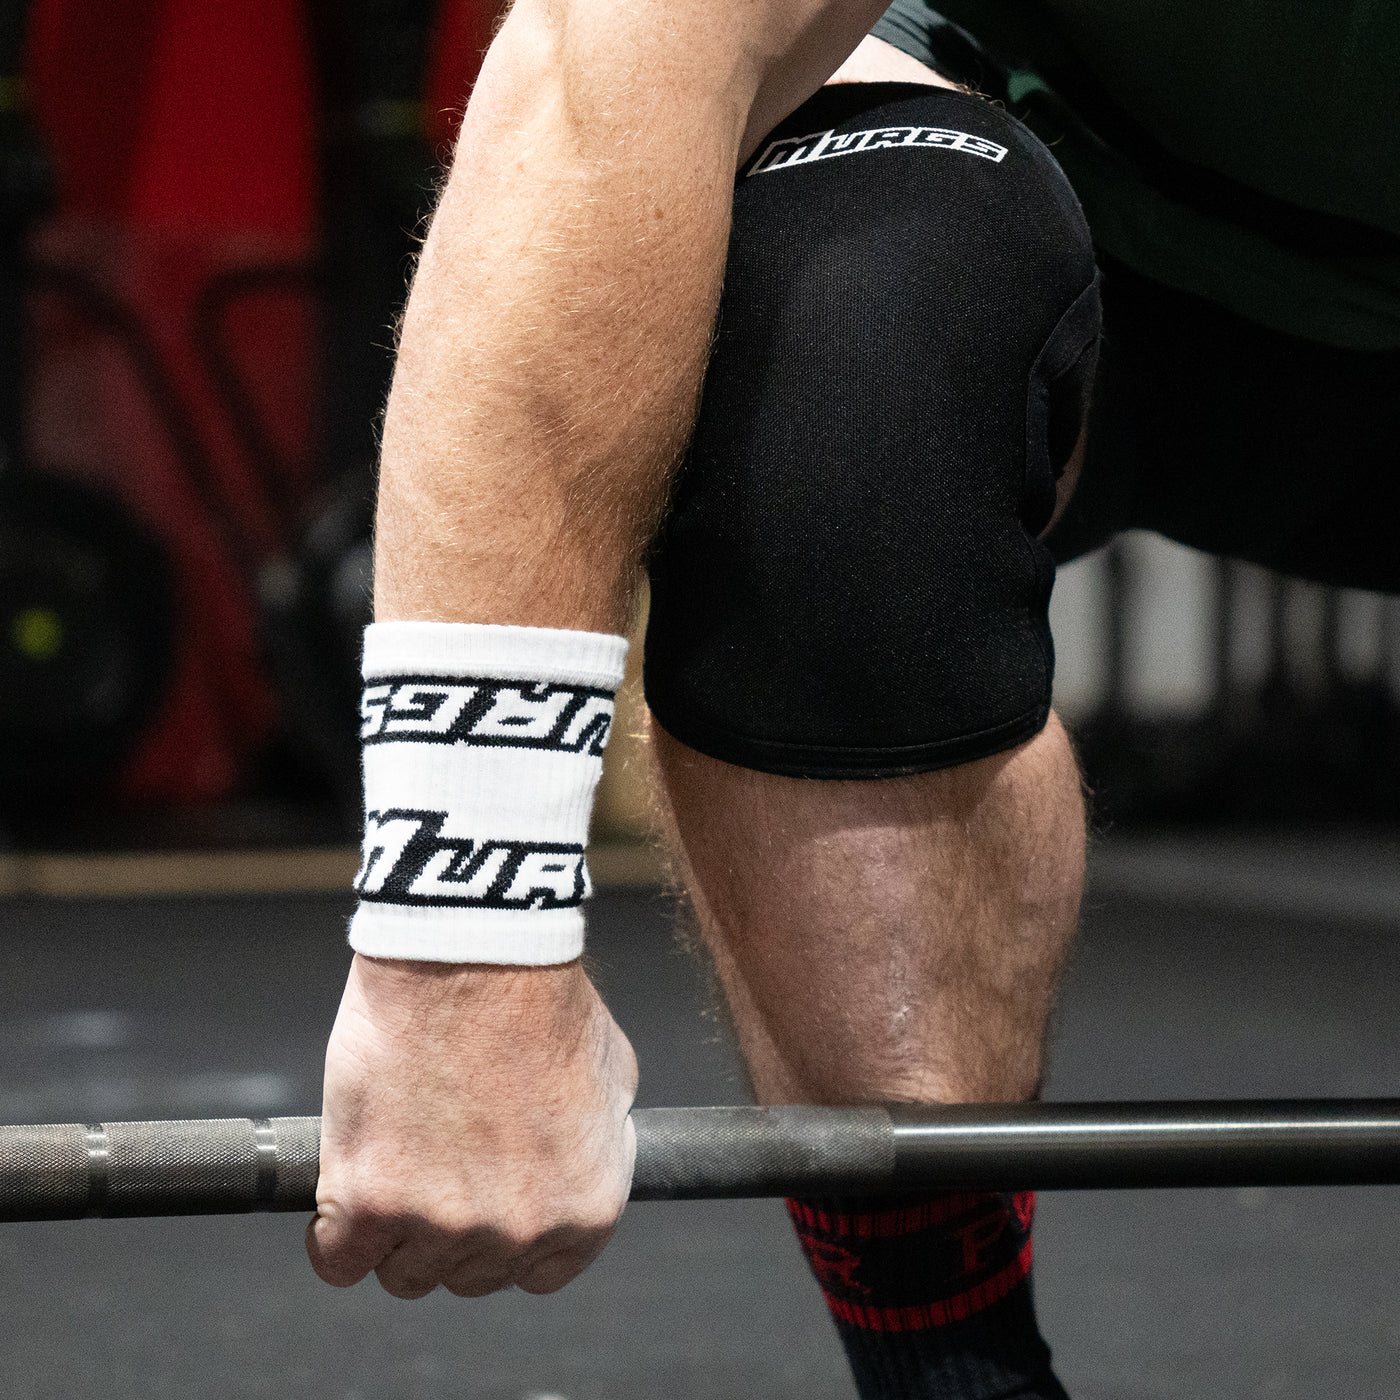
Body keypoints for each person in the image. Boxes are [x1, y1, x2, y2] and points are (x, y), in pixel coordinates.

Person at [303, 1, 1400, 1397]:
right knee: (842, 320)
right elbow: (606, 71)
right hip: (1093, 178)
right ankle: (956, 1375)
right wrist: (461, 947)